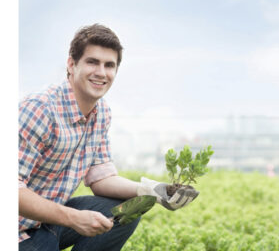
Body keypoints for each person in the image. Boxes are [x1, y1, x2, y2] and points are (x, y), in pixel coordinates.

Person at [18, 24, 199, 251]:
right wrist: (73, 217)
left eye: (109, 65)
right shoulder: (39, 110)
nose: (101, 72)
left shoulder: (101, 113)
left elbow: (100, 178)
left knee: (124, 210)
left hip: (46, 222)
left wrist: (151, 190)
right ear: (71, 64)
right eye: (92, 62)